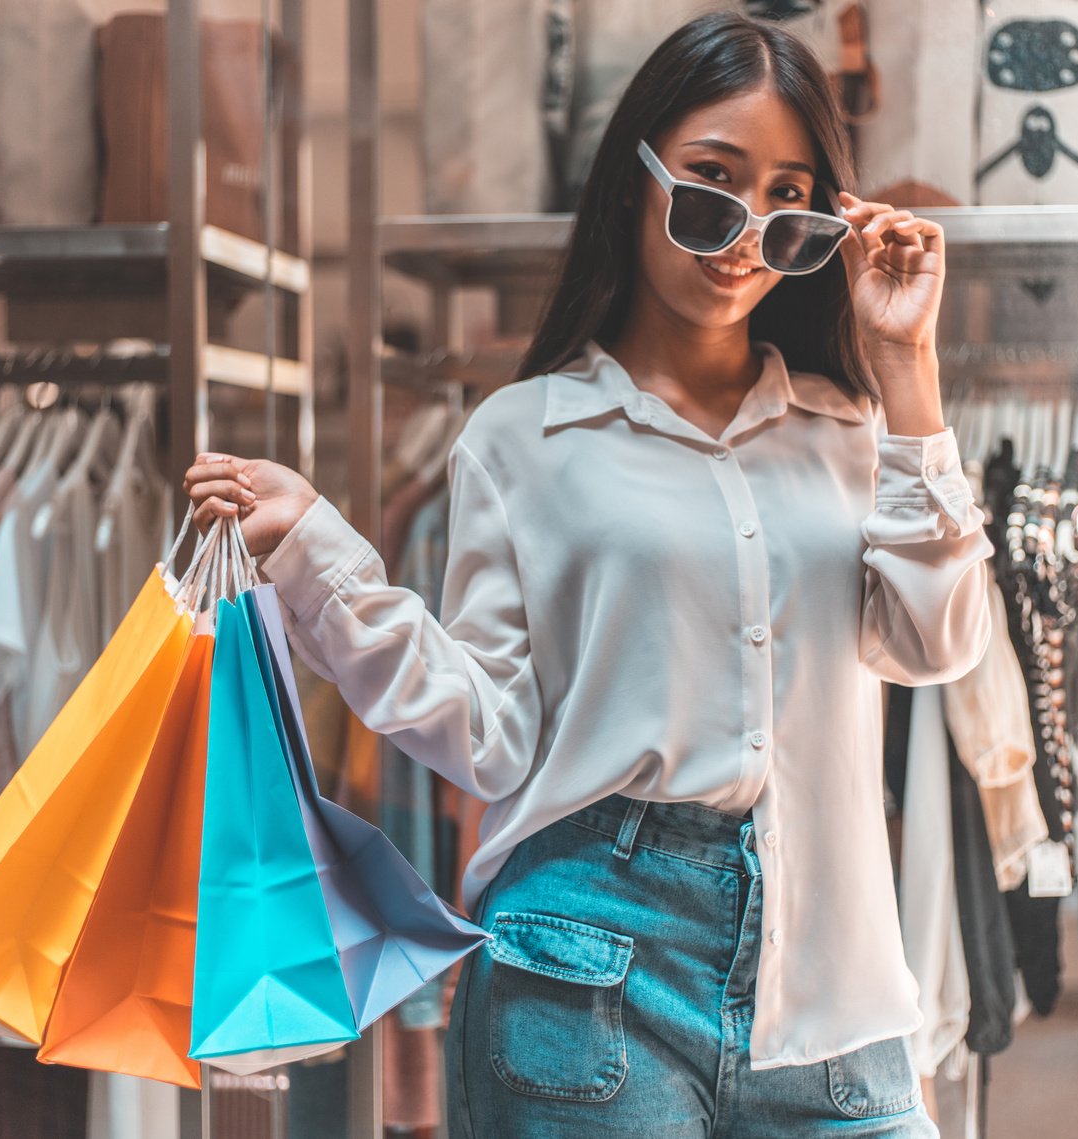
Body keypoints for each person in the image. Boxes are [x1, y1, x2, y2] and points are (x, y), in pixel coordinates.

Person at [185, 11, 991, 1136]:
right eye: (711, 187)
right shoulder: (522, 436)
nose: (743, 235)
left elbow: (936, 642)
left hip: (832, 987)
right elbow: (492, 734)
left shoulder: (854, 432)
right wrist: (317, 552)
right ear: (633, 182)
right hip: (585, 956)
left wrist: (907, 368)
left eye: (787, 204)